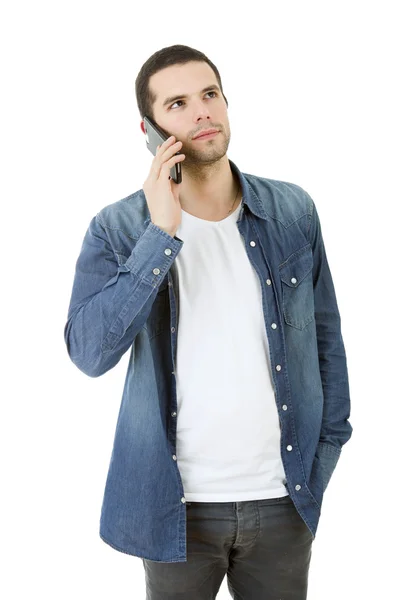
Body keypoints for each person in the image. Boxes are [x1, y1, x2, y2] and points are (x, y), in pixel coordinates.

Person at [64, 44, 353, 599]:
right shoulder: (119, 228)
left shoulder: (292, 210)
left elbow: (327, 341)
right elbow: (88, 353)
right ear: (149, 129)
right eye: (178, 103)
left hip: (284, 499)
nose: (201, 111)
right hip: (177, 509)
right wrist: (161, 236)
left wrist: (325, 456)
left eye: (210, 95)